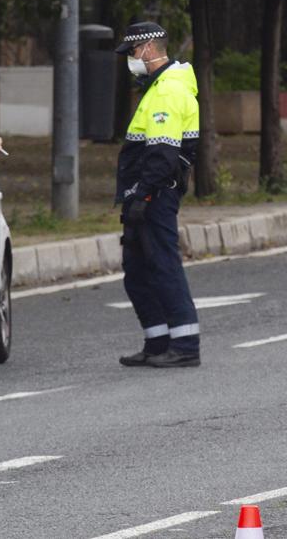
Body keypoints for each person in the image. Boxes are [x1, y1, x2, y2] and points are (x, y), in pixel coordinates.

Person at [113, 21, 201, 368]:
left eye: (132, 51)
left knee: (163, 266)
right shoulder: (156, 88)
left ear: (148, 48)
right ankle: (157, 341)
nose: (130, 58)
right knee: (137, 270)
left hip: (155, 196)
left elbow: (163, 155)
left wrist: (144, 197)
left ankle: (185, 346)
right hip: (144, 194)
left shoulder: (167, 91)